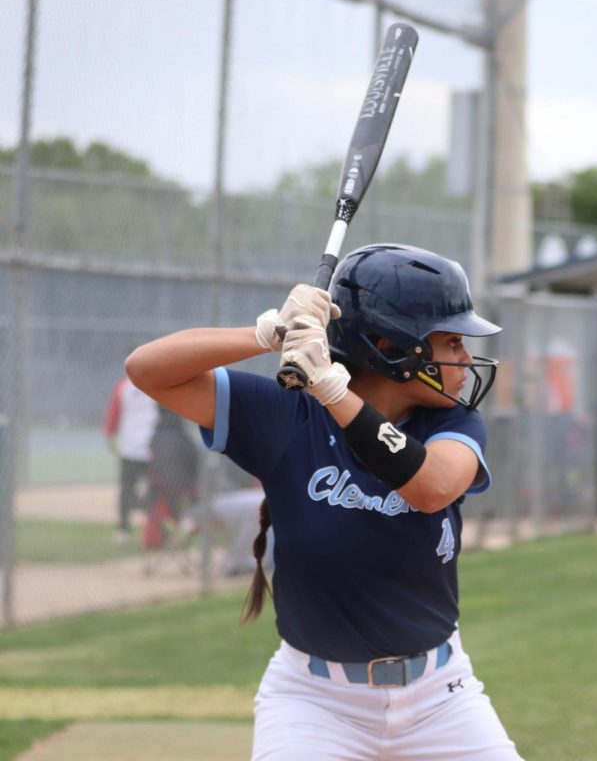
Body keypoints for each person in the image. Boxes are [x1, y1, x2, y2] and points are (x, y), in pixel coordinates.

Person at [126, 244, 522, 760]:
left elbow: (433, 488)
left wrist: (333, 389)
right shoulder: (288, 415)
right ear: (390, 347)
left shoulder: (450, 422)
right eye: (451, 341)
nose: (466, 359)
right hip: (314, 702)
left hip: (439, 696)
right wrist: (266, 334)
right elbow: (147, 369)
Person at [103, 370, 159, 542]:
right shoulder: (157, 386)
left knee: (127, 490)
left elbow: (112, 416)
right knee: (155, 489)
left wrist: (111, 438)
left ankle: (124, 529)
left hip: (130, 449)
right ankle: (154, 527)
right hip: (152, 449)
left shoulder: (123, 386)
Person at [142, 404, 202, 551]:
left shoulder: (155, 438)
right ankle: (186, 524)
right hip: (185, 493)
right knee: (193, 496)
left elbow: (149, 466)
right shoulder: (183, 438)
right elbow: (196, 465)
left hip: (159, 494)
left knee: (165, 490)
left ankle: (174, 531)